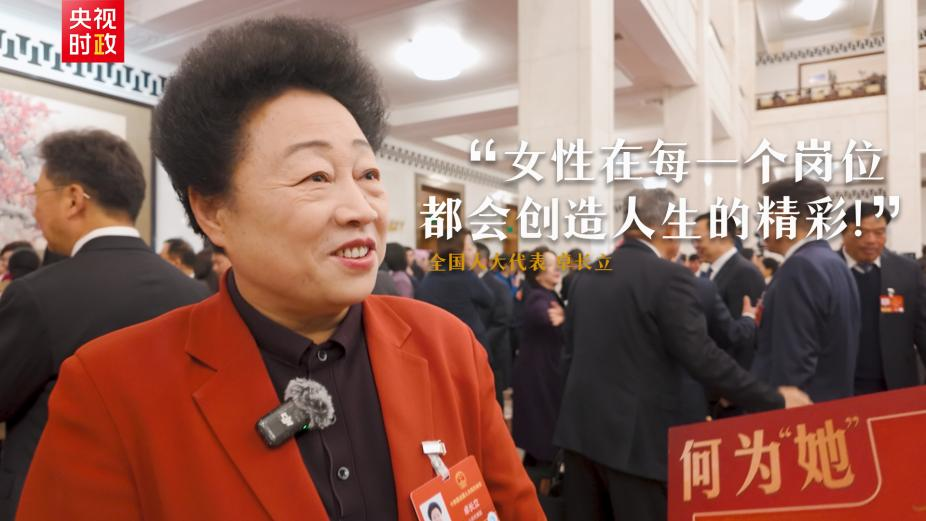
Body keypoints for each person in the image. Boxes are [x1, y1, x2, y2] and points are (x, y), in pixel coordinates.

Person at [16, 18, 542, 521]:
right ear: (214, 211)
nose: (360, 208)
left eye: (368, 173)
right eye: (315, 176)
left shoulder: (447, 347)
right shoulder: (112, 388)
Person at [554, 188, 810, 520]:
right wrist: (772, 398)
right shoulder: (670, 277)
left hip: (581, 436)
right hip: (638, 448)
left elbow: (569, 356)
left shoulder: (588, 274)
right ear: (671, 228)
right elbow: (702, 356)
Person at [0, 129, 210, 521]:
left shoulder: (39, 296)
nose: (35, 212)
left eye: (38, 195)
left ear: (73, 199)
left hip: (54, 500)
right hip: (165, 499)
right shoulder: (196, 295)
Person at [751, 178, 861, 402]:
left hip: (802, 410)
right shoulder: (833, 262)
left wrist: (781, 407)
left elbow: (793, 359)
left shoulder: (800, 268)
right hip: (831, 405)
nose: (759, 226)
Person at [838, 202, 926, 394]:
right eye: (861, 232)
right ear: (844, 233)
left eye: (879, 232)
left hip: (895, 386)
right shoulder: (824, 271)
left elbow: (922, 329)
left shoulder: (907, 271)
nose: (871, 240)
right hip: (840, 387)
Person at [512, 246, 565, 474]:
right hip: (538, 376)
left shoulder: (550, 295)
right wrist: (564, 317)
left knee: (540, 437)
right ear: (537, 273)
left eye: (556, 264)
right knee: (541, 435)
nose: (556, 269)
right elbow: (543, 315)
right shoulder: (537, 298)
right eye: (550, 265)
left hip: (546, 372)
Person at [693, 213, 766, 374]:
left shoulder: (744, 272)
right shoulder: (713, 271)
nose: (695, 245)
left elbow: (745, 339)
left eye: (699, 239)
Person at [416, 229, 494, 348]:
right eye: (470, 248)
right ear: (458, 252)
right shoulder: (466, 276)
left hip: (438, 346)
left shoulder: (428, 279)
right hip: (468, 345)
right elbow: (489, 300)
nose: (475, 252)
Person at [474, 241, 513, 405]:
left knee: (492, 401)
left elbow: (503, 320)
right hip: (471, 351)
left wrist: (479, 342)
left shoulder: (497, 286)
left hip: (492, 351)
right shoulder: (466, 283)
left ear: (482, 260)